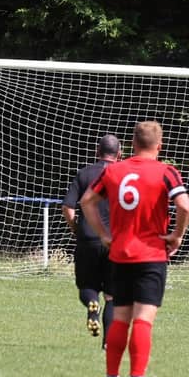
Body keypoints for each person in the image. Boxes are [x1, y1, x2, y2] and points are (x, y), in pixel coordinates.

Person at [81, 120, 189, 377]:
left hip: (119, 254)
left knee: (120, 318)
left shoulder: (114, 170)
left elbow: (86, 202)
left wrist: (104, 234)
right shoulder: (167, 171)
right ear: (159, 146)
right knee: (143, 319)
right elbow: (184, 206)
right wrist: (177, 235)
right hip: (151, 254)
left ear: (131, 144)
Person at [62, 134, 121, 344]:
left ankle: (91, 304)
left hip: (88, 238)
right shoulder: (123, 176)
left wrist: (76, 229)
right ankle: (108, 342)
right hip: (114, 241)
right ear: (119, 154)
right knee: (113, 296)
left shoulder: (84, 173)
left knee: (87, 287)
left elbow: (68, 207)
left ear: (97, 152)